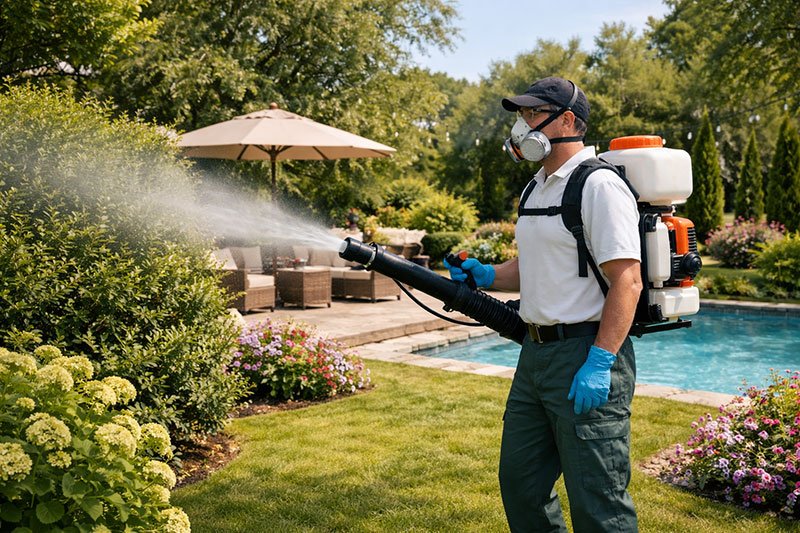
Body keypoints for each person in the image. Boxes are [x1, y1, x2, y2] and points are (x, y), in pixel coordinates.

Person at [445, 77, 642, 532]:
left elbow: (627, 281)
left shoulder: (598, 186)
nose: (522, 125)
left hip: (586, 354)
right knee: (521, 484)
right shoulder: (537, 186)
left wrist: (600, 360)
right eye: (522, 115)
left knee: (598, 500)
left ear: (568, 121)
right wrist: (490, 274)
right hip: (534, 357)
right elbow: (538, 260)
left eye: (532, 115)